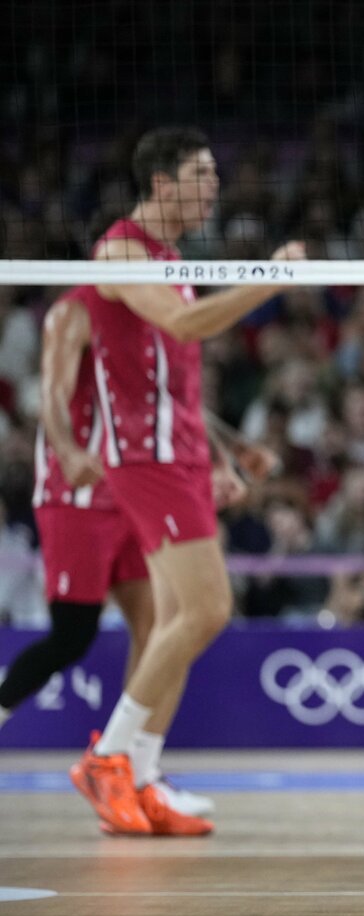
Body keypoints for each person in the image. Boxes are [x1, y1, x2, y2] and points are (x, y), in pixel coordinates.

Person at [67, 127, 306, 837]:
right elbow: (185, 325)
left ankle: (142, 776)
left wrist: (219, 457)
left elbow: (175, 380)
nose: (215, 187)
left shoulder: (172, 258)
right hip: (143, 458)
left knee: (174, 619)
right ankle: (108, 759)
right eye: (202, 175)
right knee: (206, 610)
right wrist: (269, 277)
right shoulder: (119, 252)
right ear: (162, 183)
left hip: (180, 453)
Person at [1, 295, 267, 826]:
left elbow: (169, 404)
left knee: (160, 628)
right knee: (72, 634)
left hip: (138, 489)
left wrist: (229, 450)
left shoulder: (150, 312)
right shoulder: (76, 311)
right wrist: (67, 451)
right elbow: (51, 393)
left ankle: (137, 774)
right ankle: (108, 759)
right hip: (77, 494)